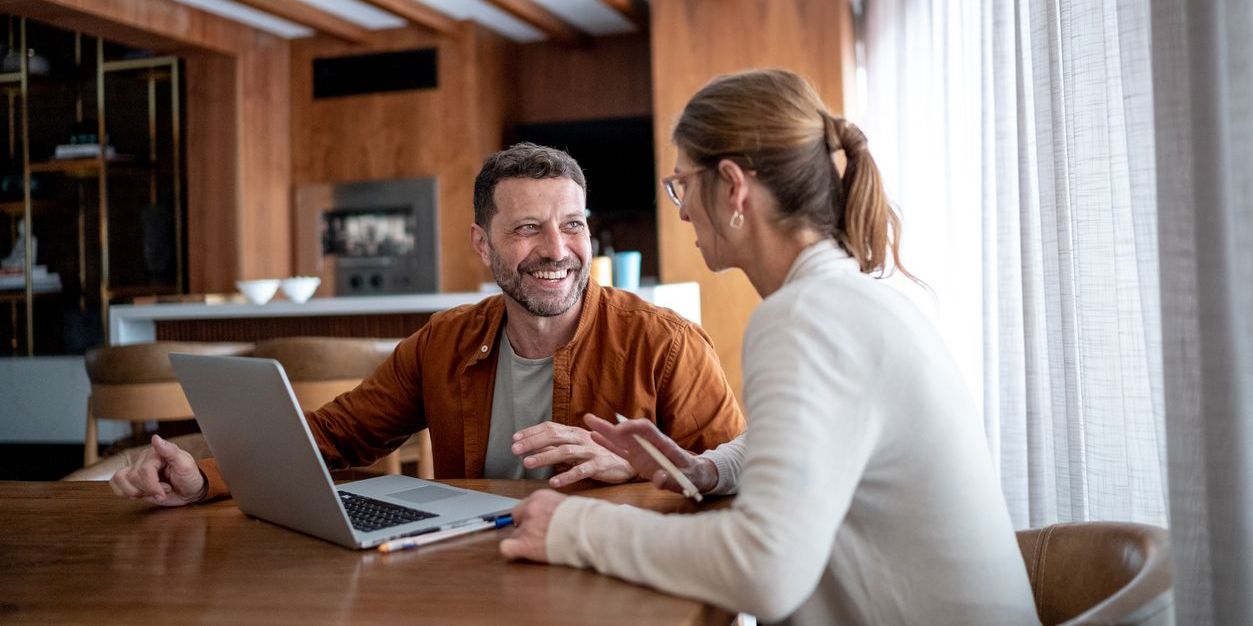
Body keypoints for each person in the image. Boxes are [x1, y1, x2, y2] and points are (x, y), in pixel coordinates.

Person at [498, 71, 1040, 625]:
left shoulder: (804, 316)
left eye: (683, 184)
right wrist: (707, 469)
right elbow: (810, 442)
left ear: (733, 186)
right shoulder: (845, 298)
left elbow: (766, 569)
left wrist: (571, 527)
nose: (681, 211)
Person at [109, 143, 745, 506]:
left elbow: (741, 481)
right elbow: (335, 438)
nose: (558, 248)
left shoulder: (666, 345)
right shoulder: (443, 343)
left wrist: (636, 467)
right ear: (482, 242)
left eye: (573, 224)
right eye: (528, 228)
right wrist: (205, 478)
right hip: (473, 575)